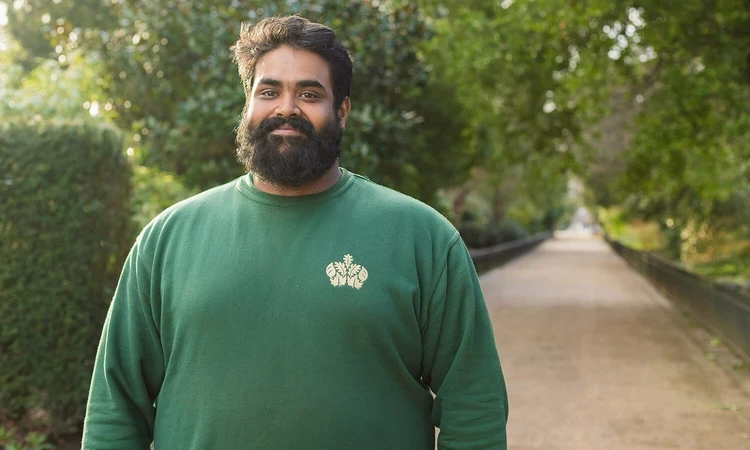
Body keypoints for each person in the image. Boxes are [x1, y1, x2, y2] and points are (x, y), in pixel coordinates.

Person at [82, 15, 508, 449]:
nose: (286, 107)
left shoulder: (424, 238)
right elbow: (115, 409)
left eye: (309, 93)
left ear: (341, 111)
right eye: (269, 92)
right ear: (247, 105)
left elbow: (474, 405)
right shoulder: (166, 240)